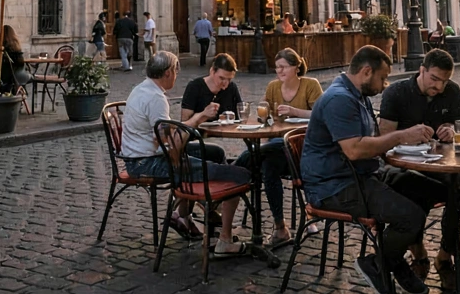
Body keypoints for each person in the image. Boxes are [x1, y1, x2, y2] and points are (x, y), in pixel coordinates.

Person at [302, 46, 433, 294]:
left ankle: (390, 261)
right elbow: (354, 150)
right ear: (366, 72)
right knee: (410, 217)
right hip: (334, 186)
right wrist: (401, 136)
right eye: (382, 78)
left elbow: (372, 141)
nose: (384, 85)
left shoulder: (358, 96)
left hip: (362, 175)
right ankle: (378, 262)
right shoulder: (339, 99)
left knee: (424, 191)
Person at [120, 50, 250, 252]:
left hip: (140, 157)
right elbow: (172, 145)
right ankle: (224, 239)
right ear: (168, 72)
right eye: (176, 71)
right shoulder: (156, 98)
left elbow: (168, 140)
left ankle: (192, 213)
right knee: (238, 175)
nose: (176, 76)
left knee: (213, 154)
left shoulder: (141, 89)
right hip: (148, 163)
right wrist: (199, 118)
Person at [377, 49, 460, 288]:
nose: (439, 86)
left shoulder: (452, 91)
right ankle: (418, 252)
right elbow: (383, 138)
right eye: (434, 79)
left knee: (457, 188)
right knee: (413, 188)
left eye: (444, 81)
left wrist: (451, 130)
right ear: (422, 70)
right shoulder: (397, 92)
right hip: (402, 165)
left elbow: (458, 126)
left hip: (440, 163)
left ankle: (445, 257)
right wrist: (406, 136)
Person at [235, 48, 323, 247]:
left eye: (284, 67)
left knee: (261, 153)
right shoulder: (273, 86)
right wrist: (263, 113)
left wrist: (294, 111)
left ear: (296, 67)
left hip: (303, 149)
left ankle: (234, 171)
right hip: (277, 148)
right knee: (268, 166)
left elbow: (320, 114)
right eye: (277, 67)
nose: (279, 71)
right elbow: (263, 113)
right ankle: (280, 227)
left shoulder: (310, 84)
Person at [0, 24, 29, 92]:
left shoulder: (2, 50)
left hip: (6, 79)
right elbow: (21, 63)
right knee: (30, 75)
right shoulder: (17, 47)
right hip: (20, 75)